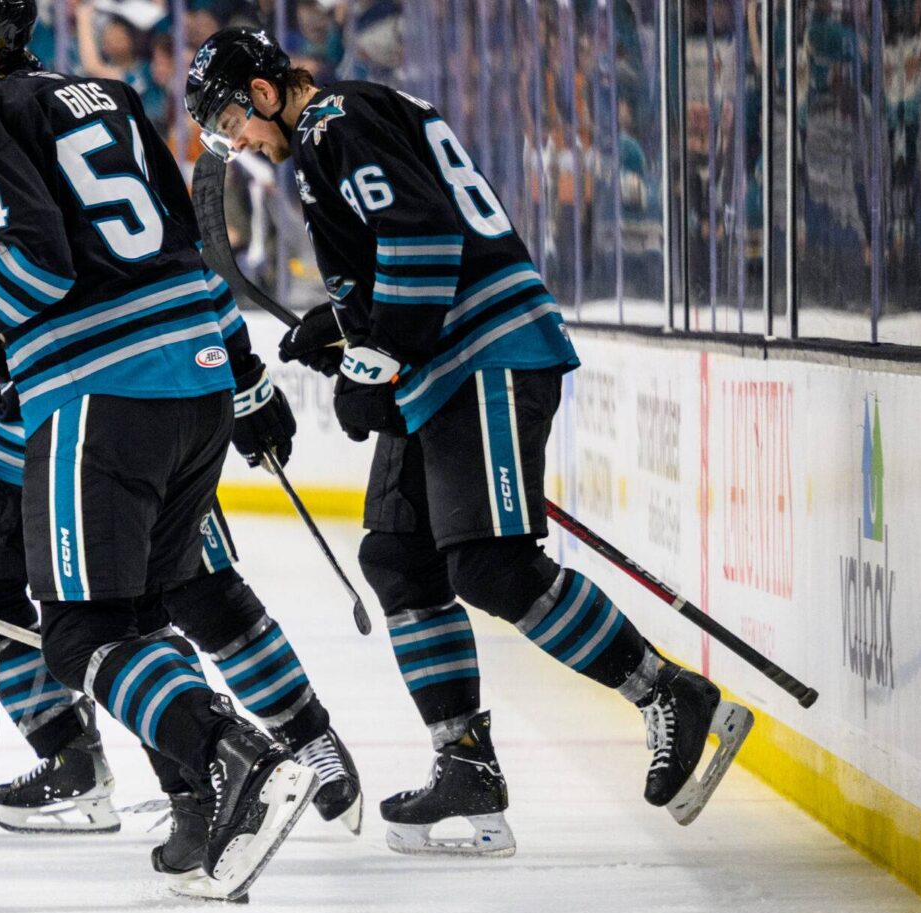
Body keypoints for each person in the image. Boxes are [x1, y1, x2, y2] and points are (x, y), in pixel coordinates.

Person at [183, 27, 754, 856]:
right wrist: (342, 331)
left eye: (233, 119)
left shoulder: (336, 121)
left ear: (264, 92)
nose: (236, 141)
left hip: (483, 354)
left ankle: (667, 693)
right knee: (398, 559)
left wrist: (378, 360)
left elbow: (424, 240)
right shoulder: (331, 132)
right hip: (443, 365)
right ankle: (467, 766)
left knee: (492, 563)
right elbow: (394, 254)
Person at [0, 0, 316, 902]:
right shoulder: (108, 95)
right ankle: (196, 810)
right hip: (196, 380)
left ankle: (236, 758)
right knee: (136, 611)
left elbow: (33, 270)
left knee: (80, 632)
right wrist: (248, 384)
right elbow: (190, 256)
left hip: (100, 390)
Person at [0, 346, 365, 863]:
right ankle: (73, 754)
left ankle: (294, 740)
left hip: (119, 413)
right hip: (31, 436)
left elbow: (187, 279)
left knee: (188, 597)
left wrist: (246, 378)